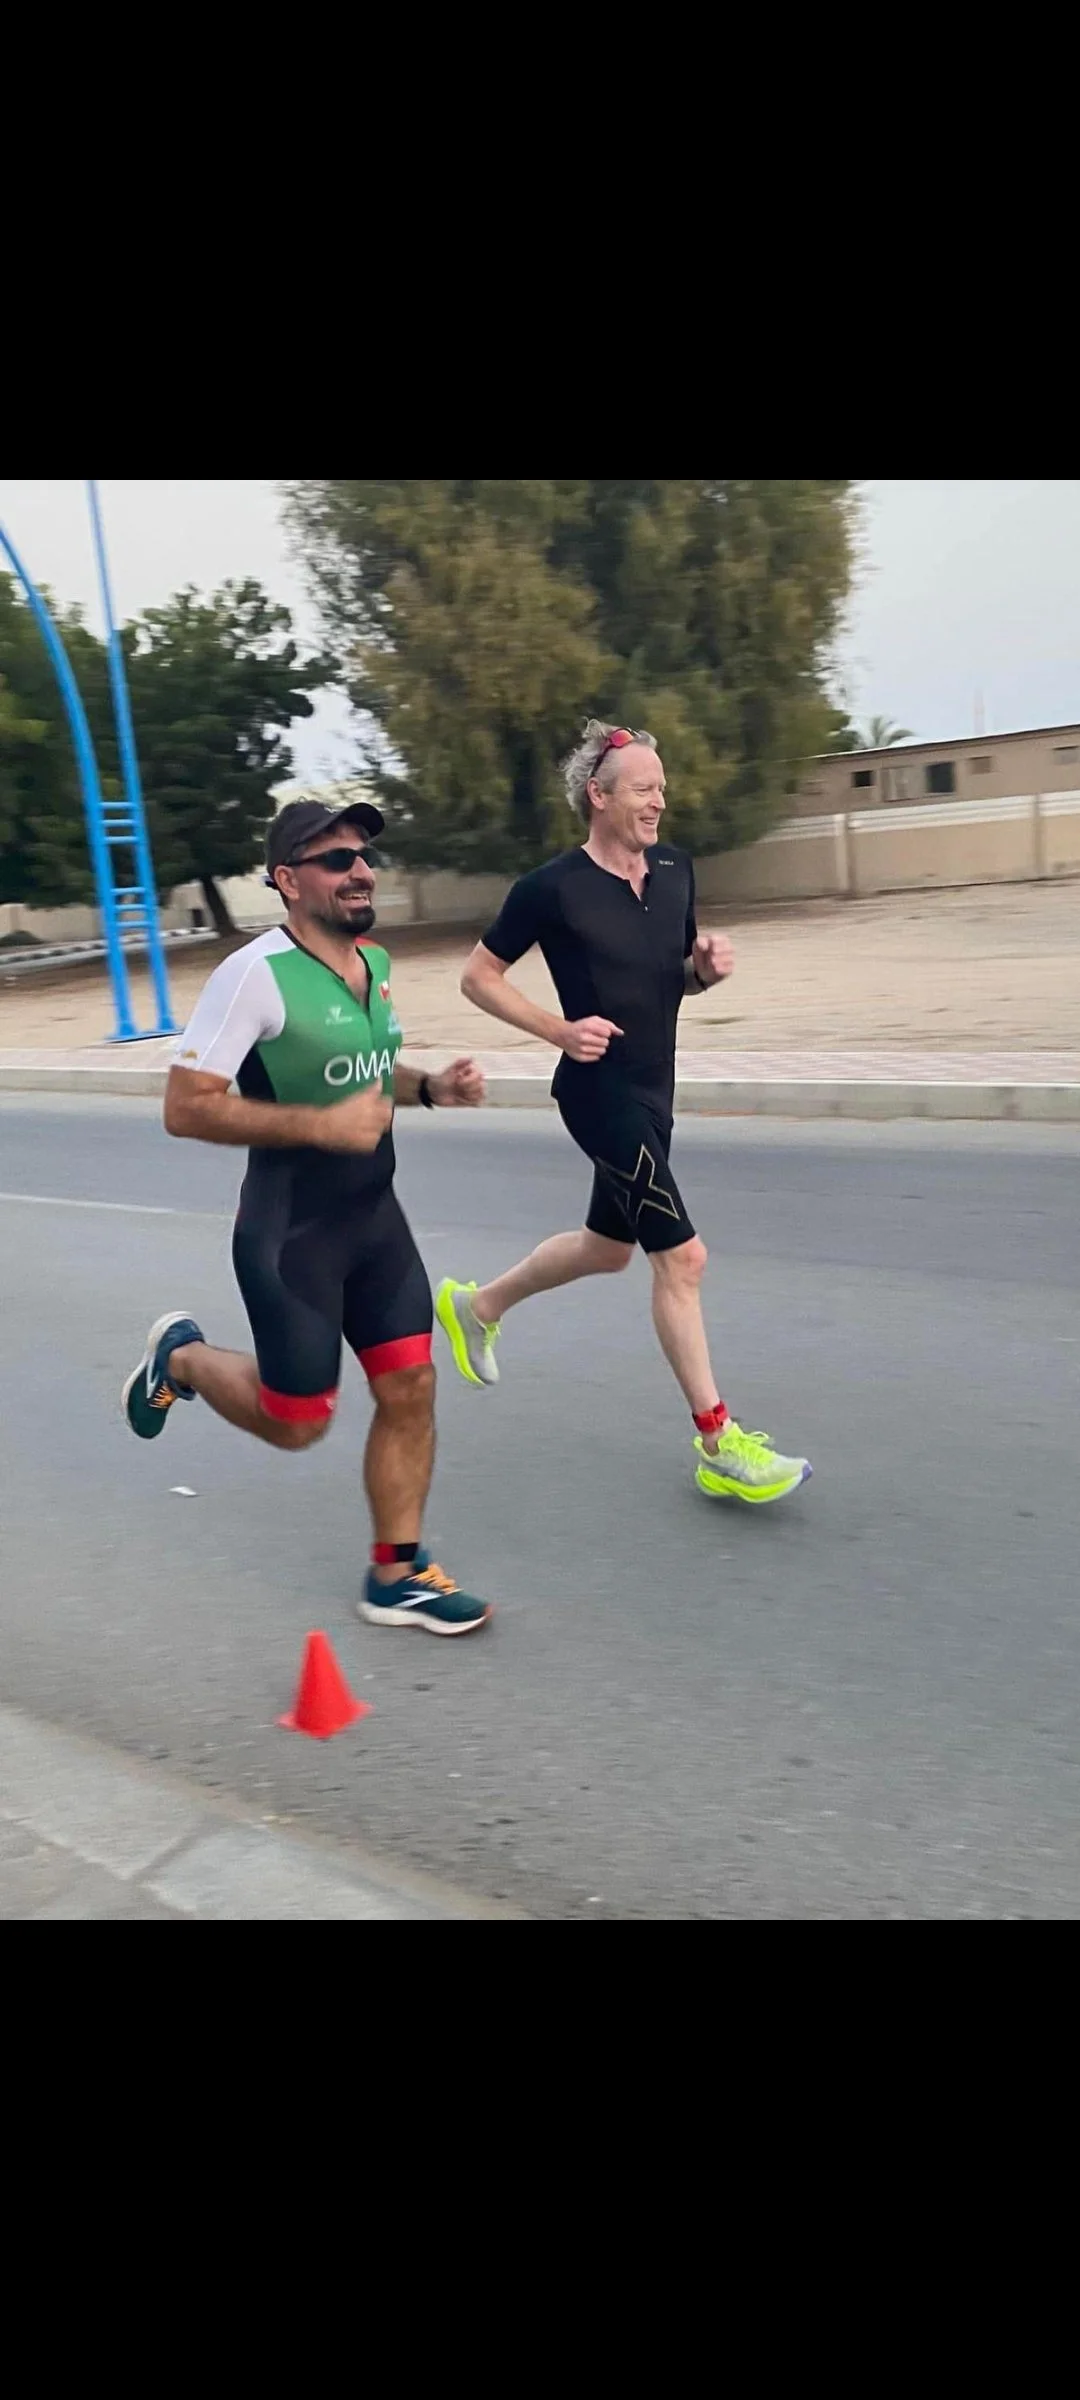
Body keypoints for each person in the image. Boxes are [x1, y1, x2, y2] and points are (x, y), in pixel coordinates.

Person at [121, 795, 493, 1635]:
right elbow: (186, 1107)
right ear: (288, 881)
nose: (360, 870)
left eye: (364, 856)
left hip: (377, 1220)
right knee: (299, 1425)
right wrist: (319, 1129)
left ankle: (396, 1573)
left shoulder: (377, 962)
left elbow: (364, 1068)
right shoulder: (252, 975)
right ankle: (182, 1359)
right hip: (293, 1234)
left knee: (411, 1385)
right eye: (336, 859)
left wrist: (429, 1086)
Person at [436, 721, 811, 1505]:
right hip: (598, 1090)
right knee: (683, 1258)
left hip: (655, 1088)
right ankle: (719, 1442)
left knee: (607, 1251)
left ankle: (476, 1307)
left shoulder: (675, 870)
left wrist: (701, 973)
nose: (659, 802)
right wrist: (559, 1031)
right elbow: (478, 978)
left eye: (662, 787)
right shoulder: (551, 888)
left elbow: (663, 980)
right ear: (598, 797)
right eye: (644, 788)